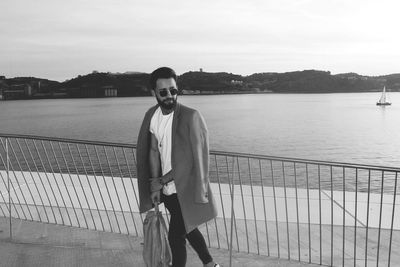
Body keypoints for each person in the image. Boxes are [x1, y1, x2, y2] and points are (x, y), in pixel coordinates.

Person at [137, 67, 220, 267]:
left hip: (187, 189)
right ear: (153, 93)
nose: (169, 96)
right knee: (187, 228)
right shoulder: (152, 116)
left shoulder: (191, 116)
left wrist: (161, 181)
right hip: (167, 190)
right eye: (163, 92)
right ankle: (210, 263)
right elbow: (153, 151)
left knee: (176, 237)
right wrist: (154, 184)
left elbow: (193, 160)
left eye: (173, 90)